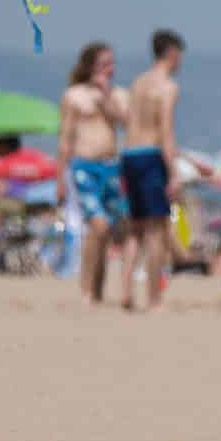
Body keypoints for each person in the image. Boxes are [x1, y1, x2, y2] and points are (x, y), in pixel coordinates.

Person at [120, 29, 210, 312]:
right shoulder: (168, 87)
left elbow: (135, 126)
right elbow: (165, 132)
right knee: (157, 231)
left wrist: (188, 160)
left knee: (135, 229)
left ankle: (125, 291)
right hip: (150, 157)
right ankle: (154, 299)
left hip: (130, 155)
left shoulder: (137, 83)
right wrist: (174, 173)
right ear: (172, 53)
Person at [57, 41, 131, 306]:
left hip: (111, 166)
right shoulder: (74, 96)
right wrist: (59, 178)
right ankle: (86, 290)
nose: (108, 69)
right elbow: (65, 138)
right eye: (103, 64)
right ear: (90, 67)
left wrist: (106, 98)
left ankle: (98, 291)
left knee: (109, 229)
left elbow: (127, 122)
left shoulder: (119, 95)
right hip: (83, 166)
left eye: (111, 64)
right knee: (97, 226)